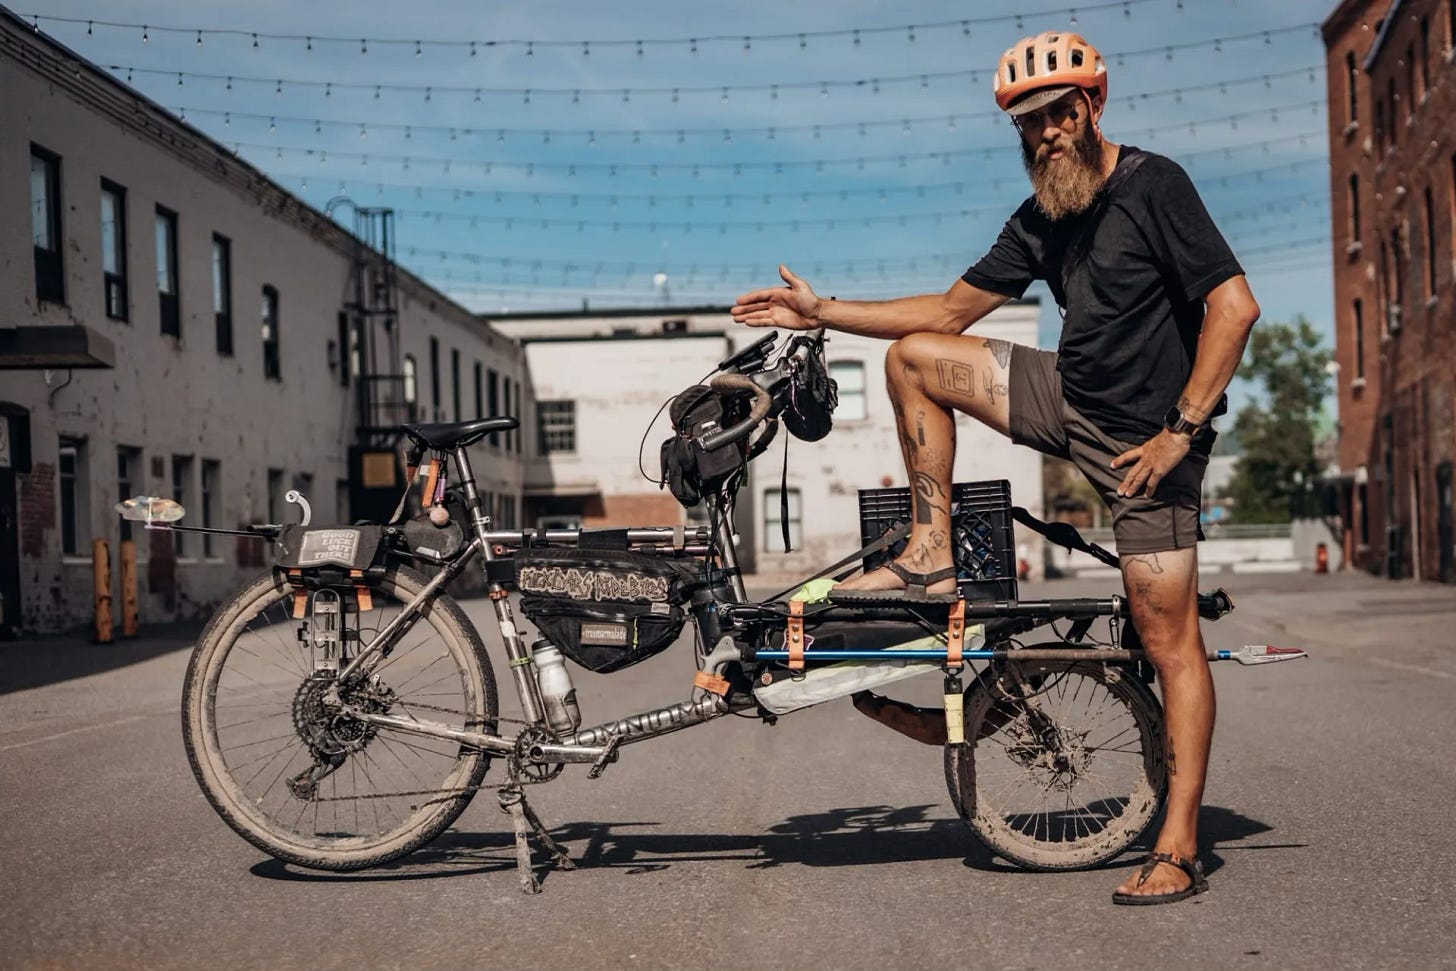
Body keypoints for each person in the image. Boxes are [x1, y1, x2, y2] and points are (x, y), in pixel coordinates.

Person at [731, 30, 1259, 906]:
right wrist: (820, 311)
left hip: (1147, 439)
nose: (1045, 134)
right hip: (1067, 396)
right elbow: (946, 308)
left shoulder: (1152, 184)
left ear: (1091, 107)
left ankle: (1177, 844)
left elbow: (1233, 309)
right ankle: (931, 546)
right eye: (1028, 124)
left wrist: (1179, 431)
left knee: (1168, 640)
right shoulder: (1040, 218)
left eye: (1058, 114)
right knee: (915, 356)